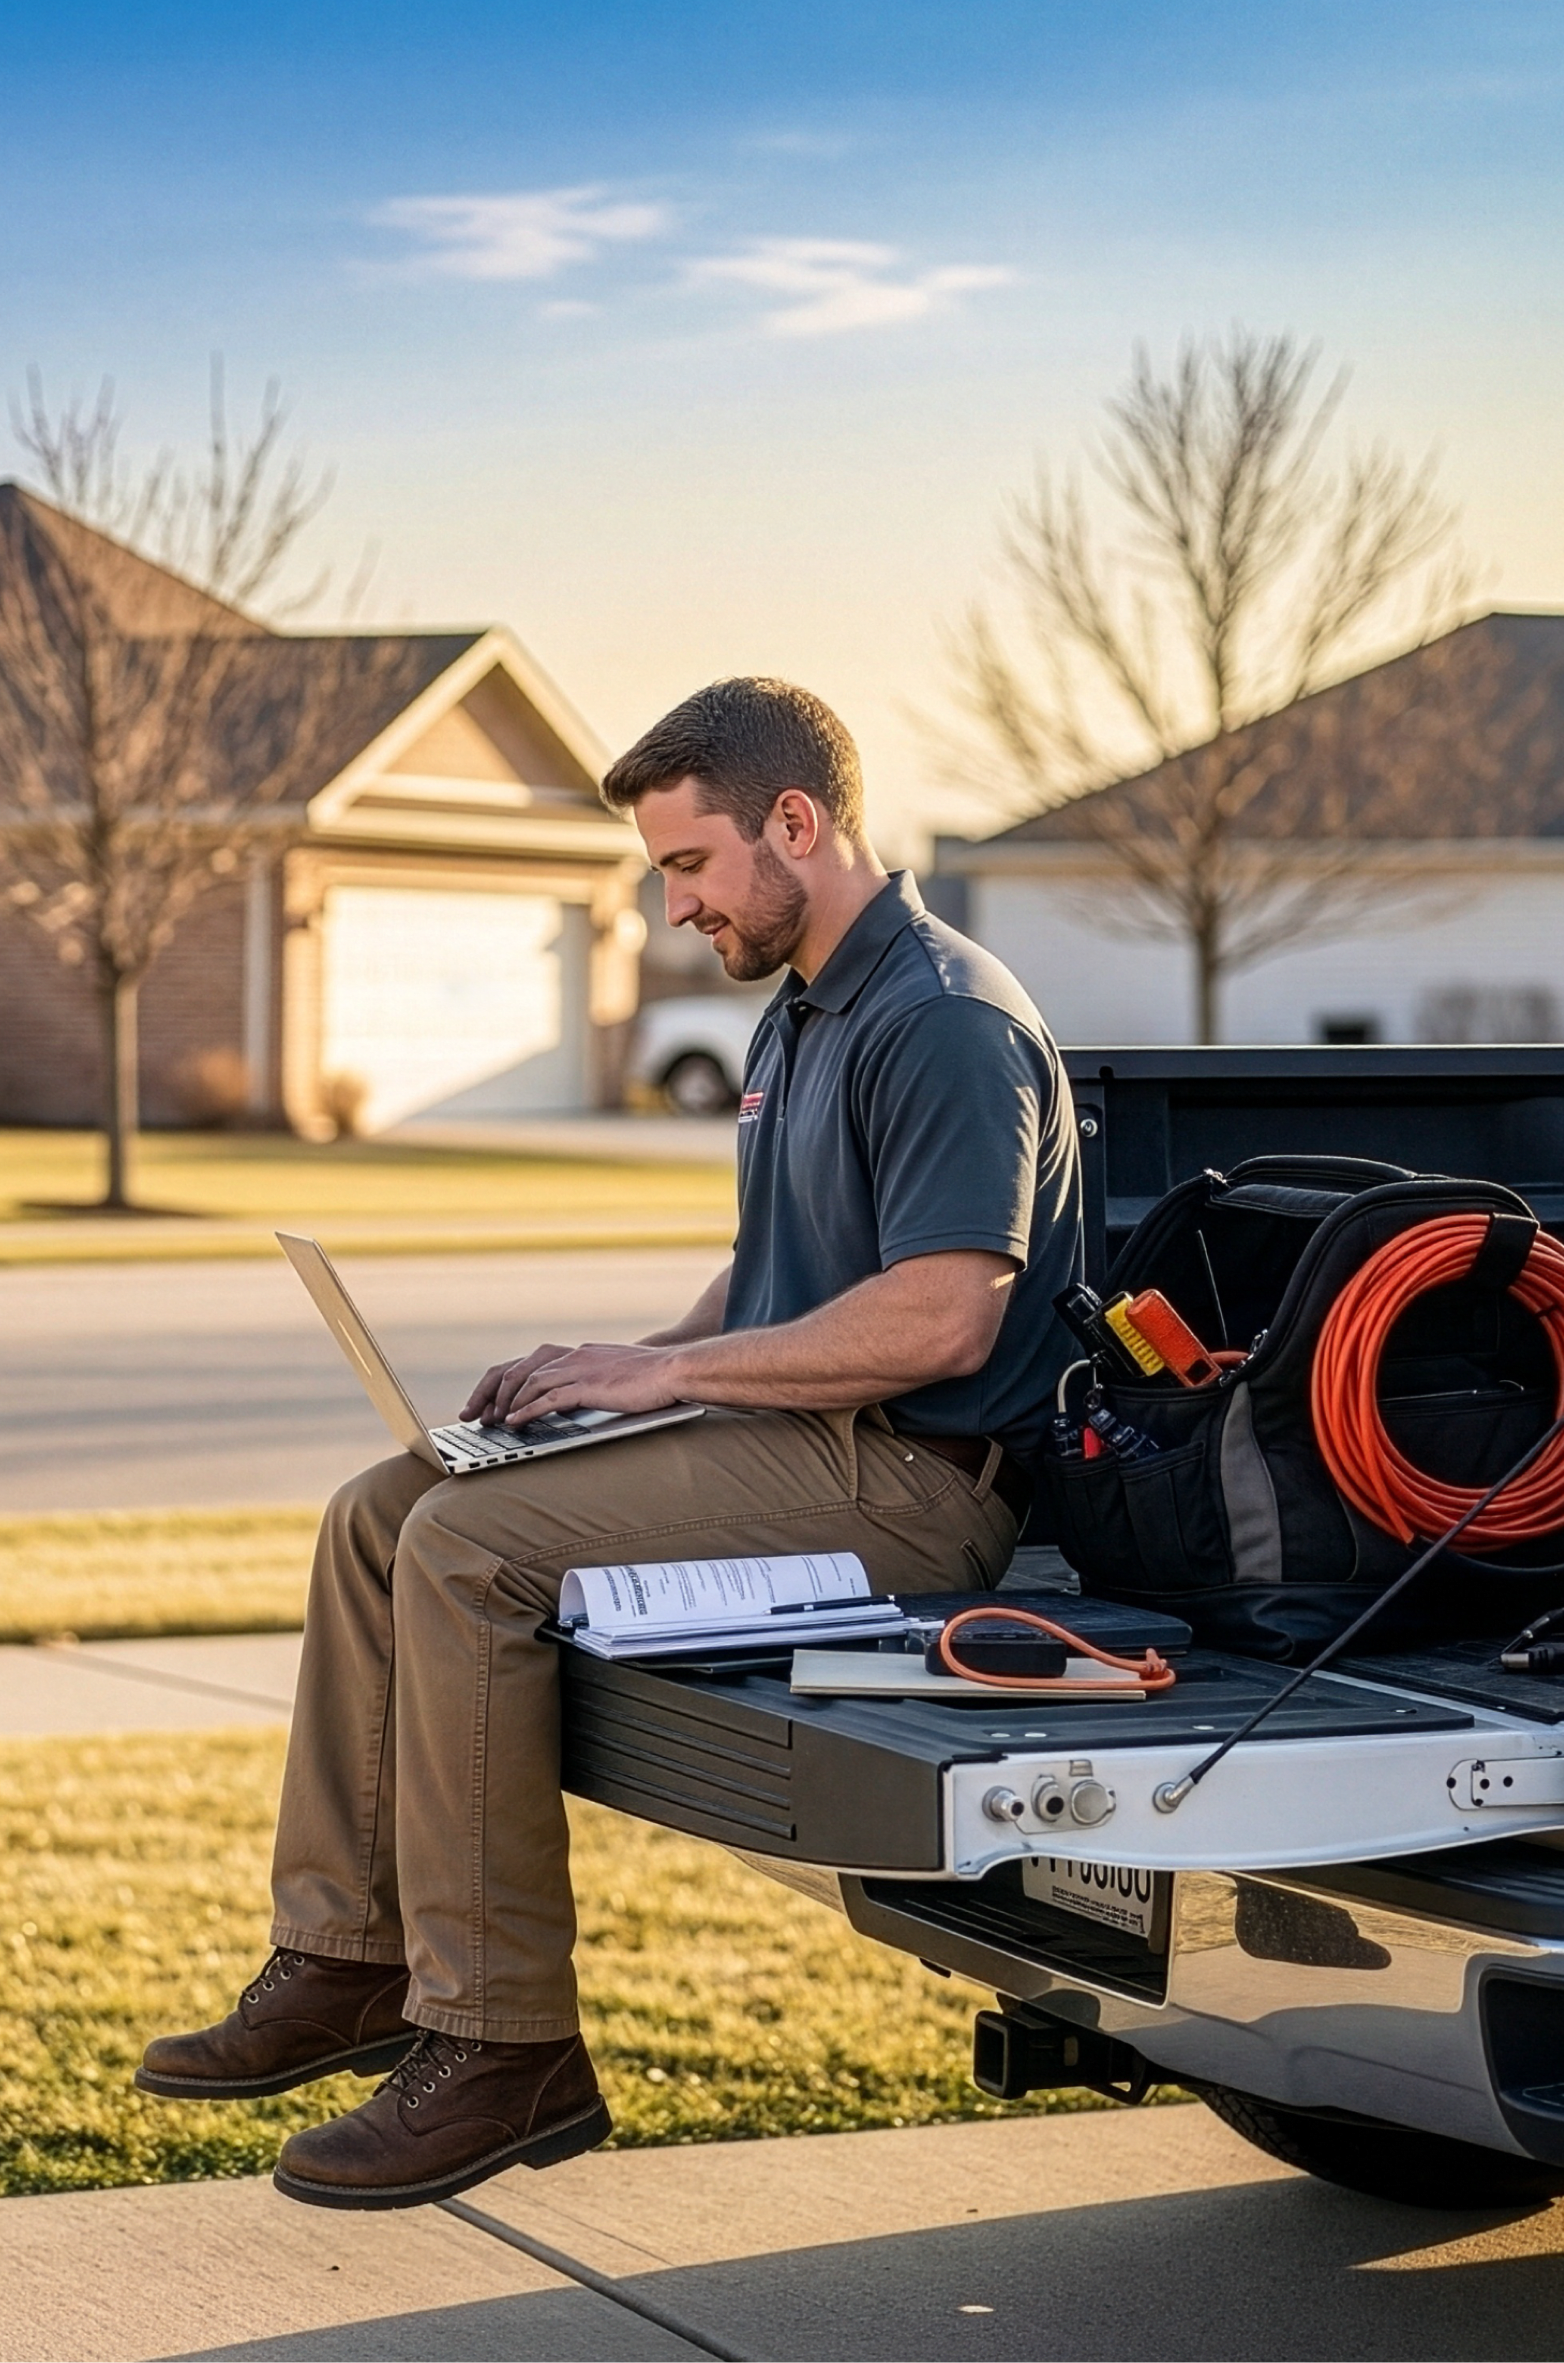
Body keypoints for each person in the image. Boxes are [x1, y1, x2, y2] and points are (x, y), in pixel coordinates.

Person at [139, 677, 1085, 2210]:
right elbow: (779, 1270)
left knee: (467, 1547)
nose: (674, 905)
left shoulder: (944, 1019)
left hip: (917, 1486)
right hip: (806, 1446)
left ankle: (505, 2046)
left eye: (689, 863)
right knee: (381, 1509)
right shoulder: (806, 1008)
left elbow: (940, 1319)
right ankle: (346, 1956)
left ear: (798, 821)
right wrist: (622, 1367)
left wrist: (671, 1378)